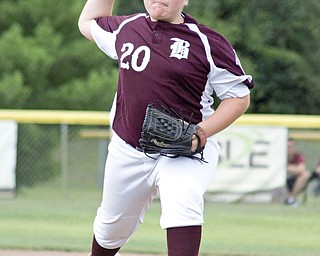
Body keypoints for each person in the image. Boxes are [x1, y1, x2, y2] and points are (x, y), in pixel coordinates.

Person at [78, 1, 254, 255]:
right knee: (111, 228)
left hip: (184, 150)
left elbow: (238, 97)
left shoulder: (207, 43)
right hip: (128, 149)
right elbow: (87, 22)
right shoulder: (128, 28)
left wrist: (201, 132)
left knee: (183, 204)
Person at [285, 138, 310, 206]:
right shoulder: (280, 156)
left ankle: (291, 199)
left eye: (290, 147)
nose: (289, 149)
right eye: (287, 147)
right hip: (283, 182)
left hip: (294, 181)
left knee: (305, 174)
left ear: (294, 147)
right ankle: (287, 199)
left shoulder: (298, 156)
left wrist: (287, 167)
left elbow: (302, 169)